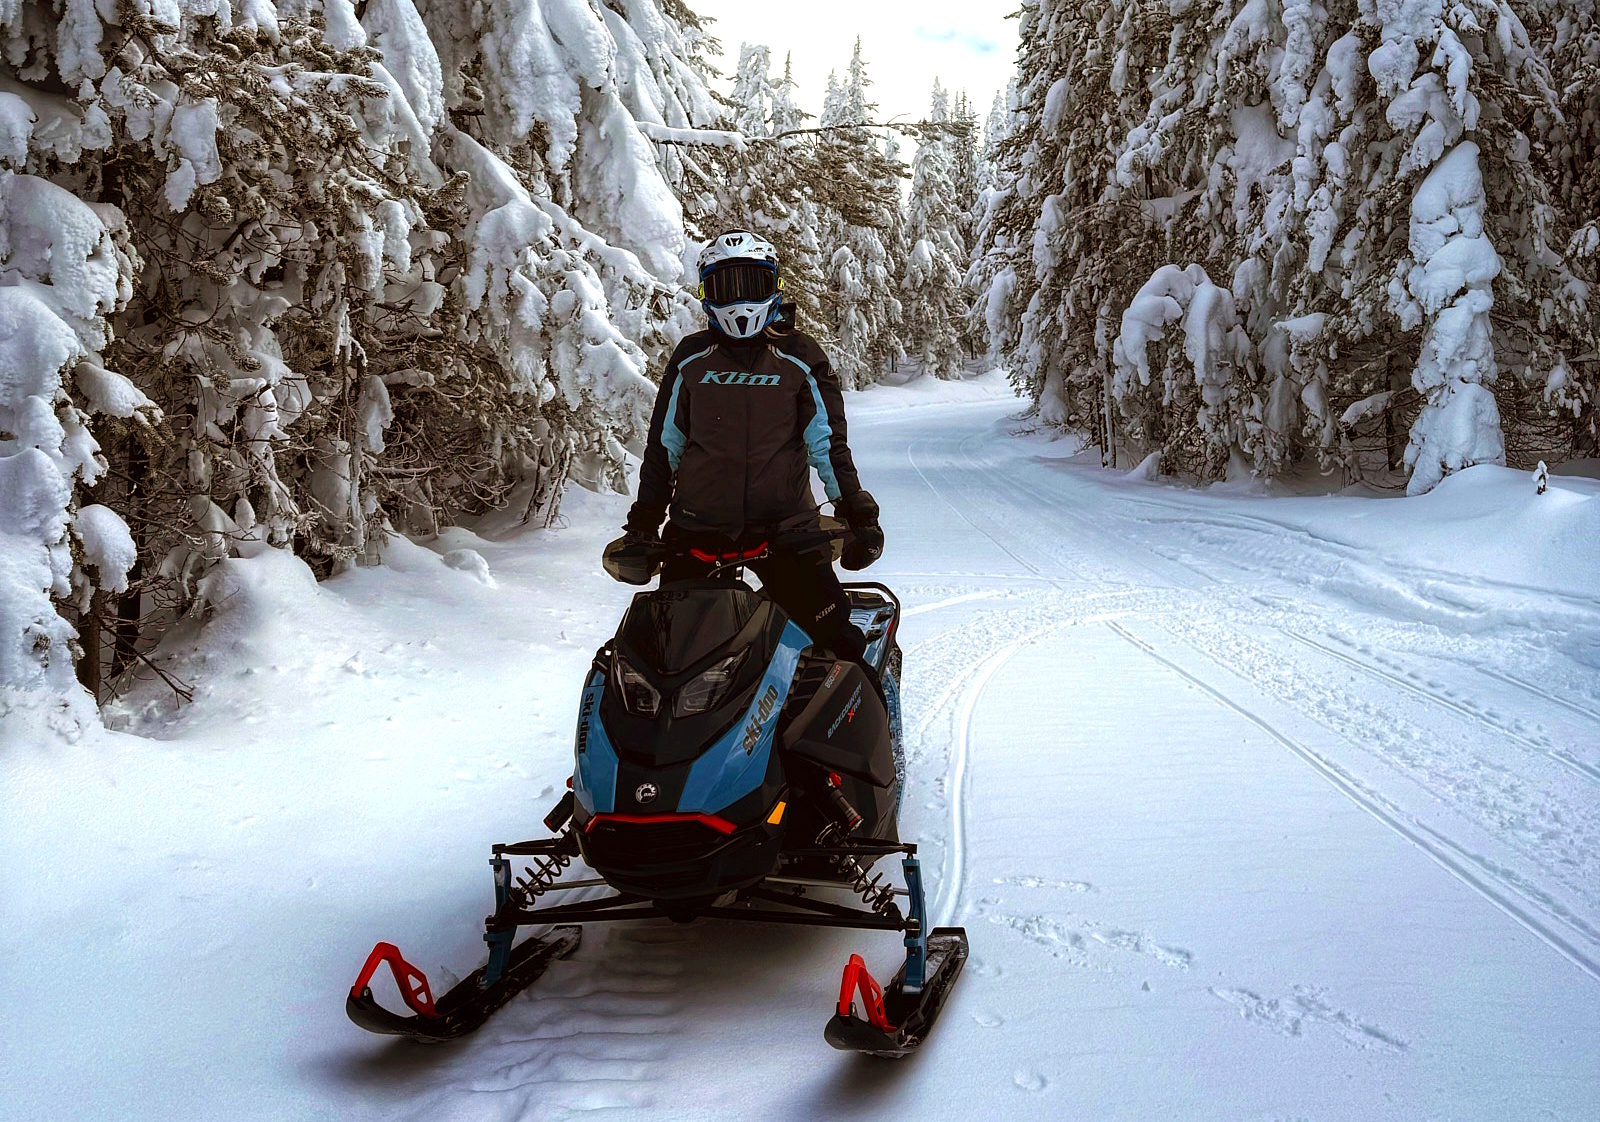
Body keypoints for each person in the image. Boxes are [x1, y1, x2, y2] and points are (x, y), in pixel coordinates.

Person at [606, 230, 884, 671]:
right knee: (668, 658)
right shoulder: (692, 358)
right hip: (698, 532)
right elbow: (664, 449)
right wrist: (643, 526)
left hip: (787, 532)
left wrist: (856, 508)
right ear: (705, 293)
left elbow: (827, 443)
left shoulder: (799, 355)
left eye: (751, 284)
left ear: (774, 286)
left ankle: (872, 726)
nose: (738, 300)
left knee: (838, 647)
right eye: (725, 286)